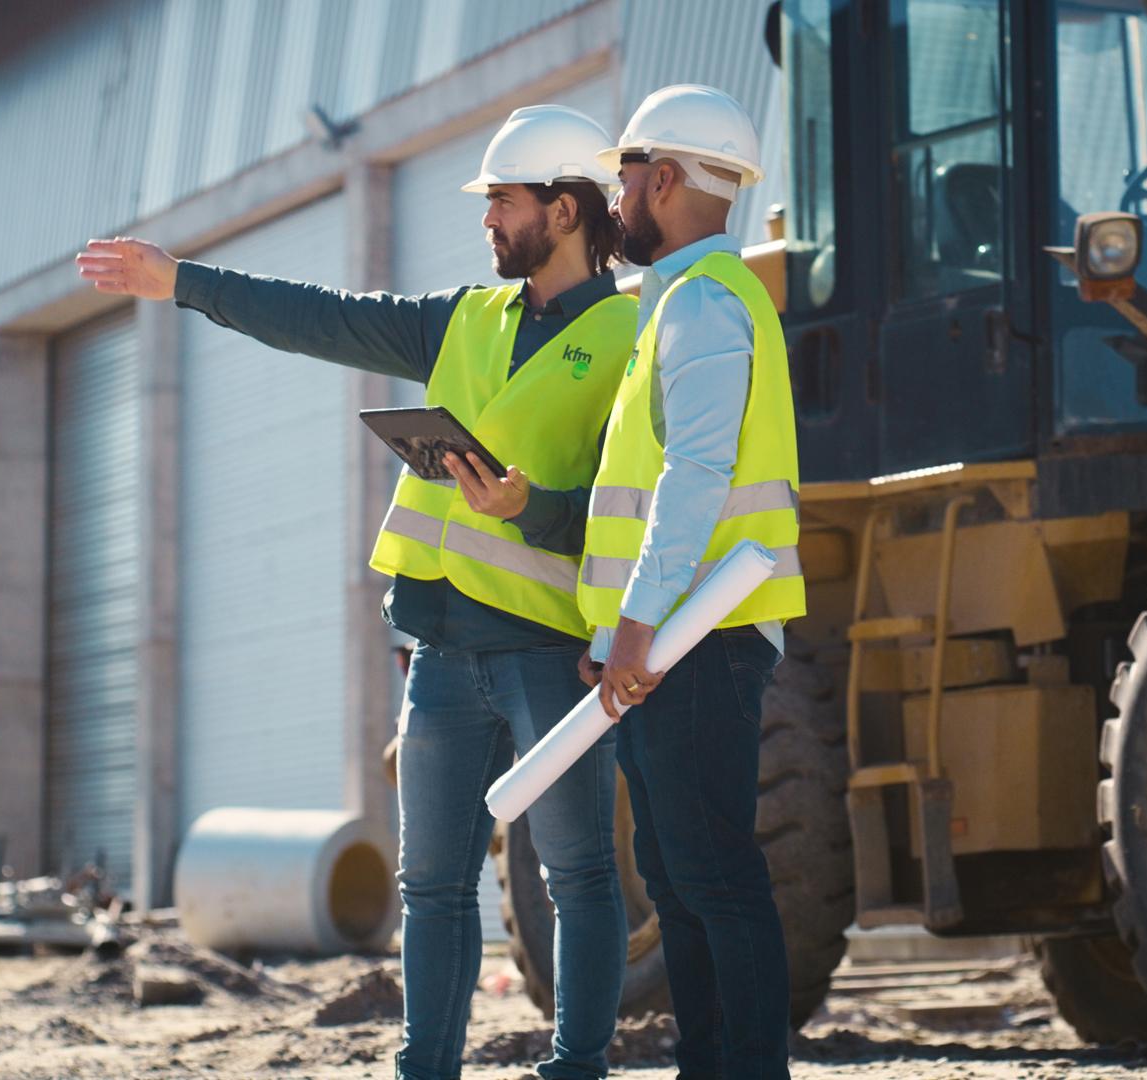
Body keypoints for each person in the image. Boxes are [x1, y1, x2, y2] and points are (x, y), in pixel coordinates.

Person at [78, 105, 635, 1080]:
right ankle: (426, 1070)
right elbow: (323, 318)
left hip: (552, 646)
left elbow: (635, 503)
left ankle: (576, 1067)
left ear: (563, 206)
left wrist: (529, 507)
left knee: (580, 874)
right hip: (441, 651)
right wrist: (180, 284)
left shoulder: (633, 335)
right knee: (429, 884)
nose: (486, 220)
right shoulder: (463, 319)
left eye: (501, 202)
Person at [576, 84, 807, 1080]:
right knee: (677, 877)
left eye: (622, 177)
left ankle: (744, 1068)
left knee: (711, 874)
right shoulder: (676, 301)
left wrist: (632, 624)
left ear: (661, 179)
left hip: (697, 639)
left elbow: (695, 477)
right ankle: (709, 1062)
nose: (614, 199)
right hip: (674, 639)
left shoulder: (706, 303)